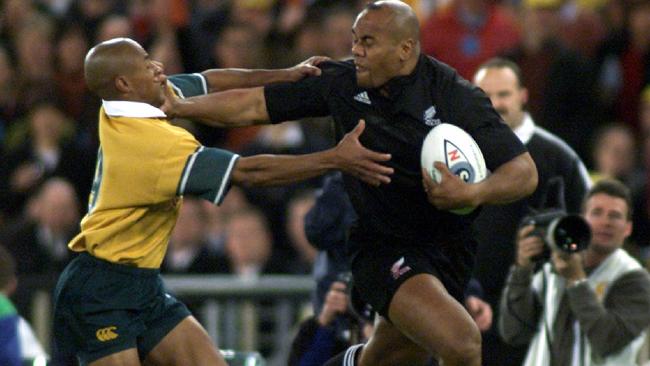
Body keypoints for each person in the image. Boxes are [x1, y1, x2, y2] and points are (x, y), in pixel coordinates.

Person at [164, 2, 538, 365]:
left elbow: (523, 171)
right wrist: (183, 107)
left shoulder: (456, 96)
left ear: (405, 49)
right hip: (383, 248)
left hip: (451, 251)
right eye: (354, 39)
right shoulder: (342, 82)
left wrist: (474, 191)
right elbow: (253, 106)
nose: (355, 50)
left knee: (393, 356)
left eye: (368, 42)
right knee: (462, 343)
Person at [52, 37, 394, 366]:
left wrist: (285, 74)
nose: (159, 67)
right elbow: (250, 171)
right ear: (124, 83)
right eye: (147, 63)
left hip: (143, 286)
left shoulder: (125, 105)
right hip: (100, 292)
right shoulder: (150, 145)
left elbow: (209, 81)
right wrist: (335, 158)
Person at [471, 57, 592, 365]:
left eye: (504, 95)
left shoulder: (558, 157)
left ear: (523, 95)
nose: (495, 104)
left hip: (537, 318)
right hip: (467, 310)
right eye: (486, 96)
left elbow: (588, 228)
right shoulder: (458, 153)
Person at [499, 179, 650, 365]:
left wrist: (577, 280)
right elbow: (513, 332)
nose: (605, 222)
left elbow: (607, 341)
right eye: (597, 213)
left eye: (615, 216)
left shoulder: (635, 279)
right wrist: (522, 269)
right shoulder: (555, 267)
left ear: (628, 228)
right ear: (582, 219)